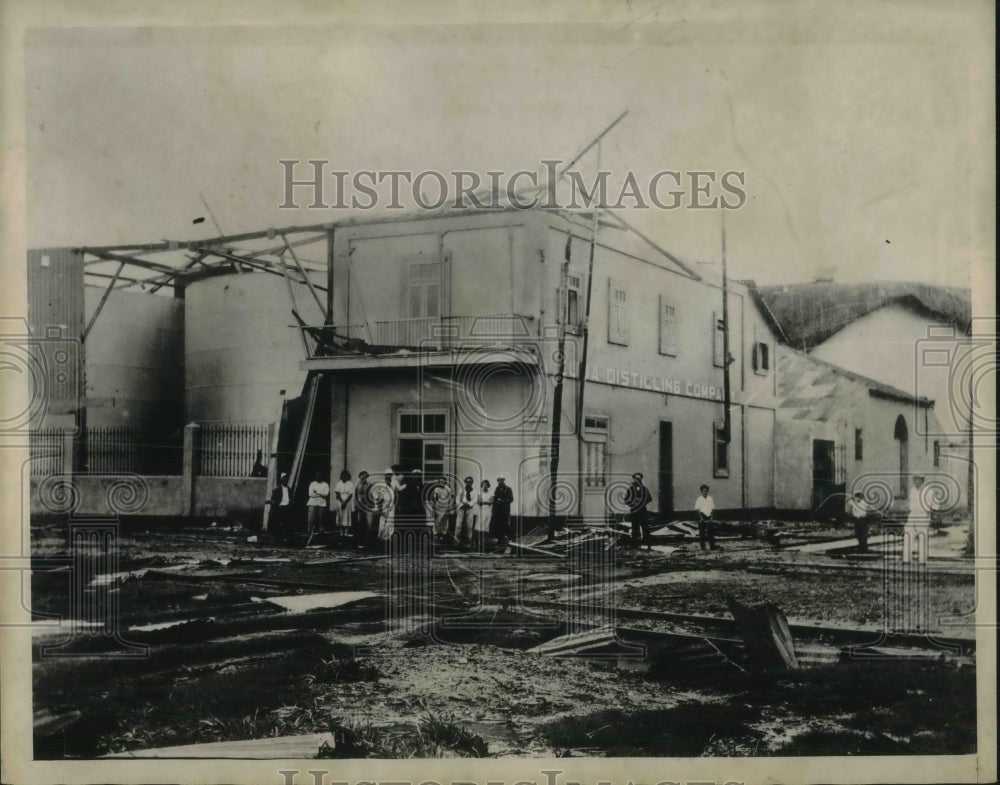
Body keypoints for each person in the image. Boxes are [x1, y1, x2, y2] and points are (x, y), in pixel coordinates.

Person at [626, 472, 653, 549]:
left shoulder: (644, 489)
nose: (637, 480)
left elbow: (649, 498)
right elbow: (626, 500)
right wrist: (632, 504)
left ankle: (647, 543)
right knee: (635, 527)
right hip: (634, 511)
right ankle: (634, 543)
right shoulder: (630, 489)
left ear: (641, 479)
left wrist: (642, 502)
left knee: (645, 527)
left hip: (642, 511)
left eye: (639, 479)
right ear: (633, 479)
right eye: (635, 479)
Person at [904, 475, 928, 561]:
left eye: (919, 480)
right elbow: (910, 503)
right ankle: (906, 559)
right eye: (915, 480)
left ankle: (922, 560)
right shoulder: (912, 491)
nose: (916, 482)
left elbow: (935, 504)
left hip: (922, 515)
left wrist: (929, 513)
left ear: (922, 481)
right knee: (908, 535)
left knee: (922, 536)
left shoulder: (927, 491)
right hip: (912, 514)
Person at [305, 472, 330, 546]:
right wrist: (321, 494)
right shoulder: (312, 484)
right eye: (317, 475)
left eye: (320, 475)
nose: (318, 476)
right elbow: (310, 494)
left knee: (321, 521)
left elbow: (326, 494)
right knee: (310, 520)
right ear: (315, 476)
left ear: (322, 476)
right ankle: (309, 536)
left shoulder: (325, 484)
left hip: (322, 503)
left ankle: (321, 538)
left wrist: (317, 492)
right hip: (312, 503)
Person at [268, 472, 292, 543]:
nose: (285, 480)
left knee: (287, 525)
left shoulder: (289, 489)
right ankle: (275, 539)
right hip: (279, 508)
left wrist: (290, 503)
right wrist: (275, 505)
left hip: (286, 508)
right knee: (276, 524)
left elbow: (291, 498)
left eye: (286, 478)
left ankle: (287, 540)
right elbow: (273, 500)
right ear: (281, 479)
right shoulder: (277, 490)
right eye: (283, 478)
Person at [491, 476, 514, 548]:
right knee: (498, 524)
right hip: (498, 510)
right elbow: (495, 498)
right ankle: (500, 539)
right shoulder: (497, 489)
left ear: (504, 480)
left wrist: (503, 501)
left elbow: (511, 499)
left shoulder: (508, 488)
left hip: (505, 510)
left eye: (501, 480)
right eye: (498, 480)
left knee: (505, 523)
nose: (499, 481)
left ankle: (506, 538)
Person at [431, 477, 456, 542]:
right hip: (438, 506)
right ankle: (436, 535)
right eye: (440, 481)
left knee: (445, 521)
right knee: (437, 520)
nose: (442, 482)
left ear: (445, 482)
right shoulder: (436, 489)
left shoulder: (448, 489)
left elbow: (452, 498)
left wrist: (450, 507)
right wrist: (434, 507)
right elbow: (434, 499)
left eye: (443, 481)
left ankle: (443, 535)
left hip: (446, 506)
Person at [694, 484, 717, 551]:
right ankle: (703, 547)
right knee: (702, 533)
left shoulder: (710, 499)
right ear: (701, 491)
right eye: (703, 491)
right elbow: (698, 510)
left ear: (707, 491)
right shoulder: (699, 499)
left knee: (711, 532)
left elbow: (712, 509)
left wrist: (711, 518)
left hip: (709, 516)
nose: (705, 492)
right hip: (702, 516)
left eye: (706, 491)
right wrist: (701, 518)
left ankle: (712, 546)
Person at [455, 476, 476, 547]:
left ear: (472, 482)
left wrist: (469, 504)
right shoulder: (462, 489)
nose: (468, 483)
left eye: (470, 481)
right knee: (458, 525)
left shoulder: (474, 491)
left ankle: (469, 542)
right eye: (467, 481)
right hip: (461, 508)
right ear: (465, 482)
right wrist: (461, 504)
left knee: (469, 526)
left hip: (469, 509)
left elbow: (475, 500)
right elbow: (457, 498)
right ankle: (456, 541)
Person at [333, 469, 355, 535]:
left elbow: (351, 494)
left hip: (347, 501)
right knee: (340, 515)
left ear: (348, 476)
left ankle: (346, 531)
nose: (344, 476)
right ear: (341, 476)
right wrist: (342, 501)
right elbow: (337, 492)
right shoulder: (339, 483)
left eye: (345, 475)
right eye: (343, 475)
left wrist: (345, 502)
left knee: (347, 515)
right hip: (340, 500)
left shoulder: (350, 484)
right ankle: (341, 530)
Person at [353, 470, 373, 541]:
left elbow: (371, 495)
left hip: (367, 505)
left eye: (365, 477)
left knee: (368, 522)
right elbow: (355, 496)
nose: (363, 478)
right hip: (360, 504)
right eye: (362, 476)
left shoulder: (369, 485)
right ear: (360, 477)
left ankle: (368, 538)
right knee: (359, 521)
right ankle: (359, 538)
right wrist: (355, 505)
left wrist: (371, 504)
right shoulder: (357, 485)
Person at [474, 479, 493, 551]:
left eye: (486, 485)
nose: (485, 486)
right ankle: (479, 543)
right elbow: (479, 502)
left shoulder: (491, 492)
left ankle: (485, 543)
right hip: (481, 510)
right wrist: (486, 502)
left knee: (486, 525)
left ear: (488, 486)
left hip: (488, 510)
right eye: (483, 485)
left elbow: (491, 501)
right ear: (481, 486)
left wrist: (484, 501)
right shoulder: (479, 493)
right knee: (479, 525)